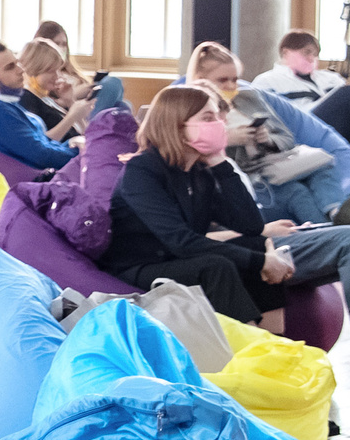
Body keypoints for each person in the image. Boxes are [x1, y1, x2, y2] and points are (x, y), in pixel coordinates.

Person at [103, 86, 350, 337]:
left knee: (256, 244)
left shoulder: (199, 172)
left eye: (218, 118)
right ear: (176, 125)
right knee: (217, 266)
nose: (220, 124)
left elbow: (251, 225)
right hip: (141, 266)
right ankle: (252, 343)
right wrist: (262, 262)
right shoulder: (142, 170)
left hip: (176, 258)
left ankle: (274, 336)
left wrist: (220, 163)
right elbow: (180, 241)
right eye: (208, 118)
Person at [184, 40, 348, 226]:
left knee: (323, 164)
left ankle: (335, 216)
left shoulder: (249, 97)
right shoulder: (196, 111)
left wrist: (267, 139)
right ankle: (329, 231)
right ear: (201, 79)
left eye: (235, 79)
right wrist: (227, 139)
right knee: (296, 192)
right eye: (222, 80)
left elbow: (287, 138)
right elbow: (193, 155)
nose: (231, 86)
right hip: (254, 176)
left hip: (279, 162)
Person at [0, 42, 76, 172]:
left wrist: (72, 144)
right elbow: (42, 156)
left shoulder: (8, 104)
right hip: (36, 182)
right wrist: (82, 151)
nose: (21, 70)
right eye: (10, 67)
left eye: (17, 63)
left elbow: (43, 144)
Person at [256, 29, 345, 107]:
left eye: (315, 54)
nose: (312, 59)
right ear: (286, 53)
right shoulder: (267, 82)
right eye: (306, 52)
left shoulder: (332, 79)